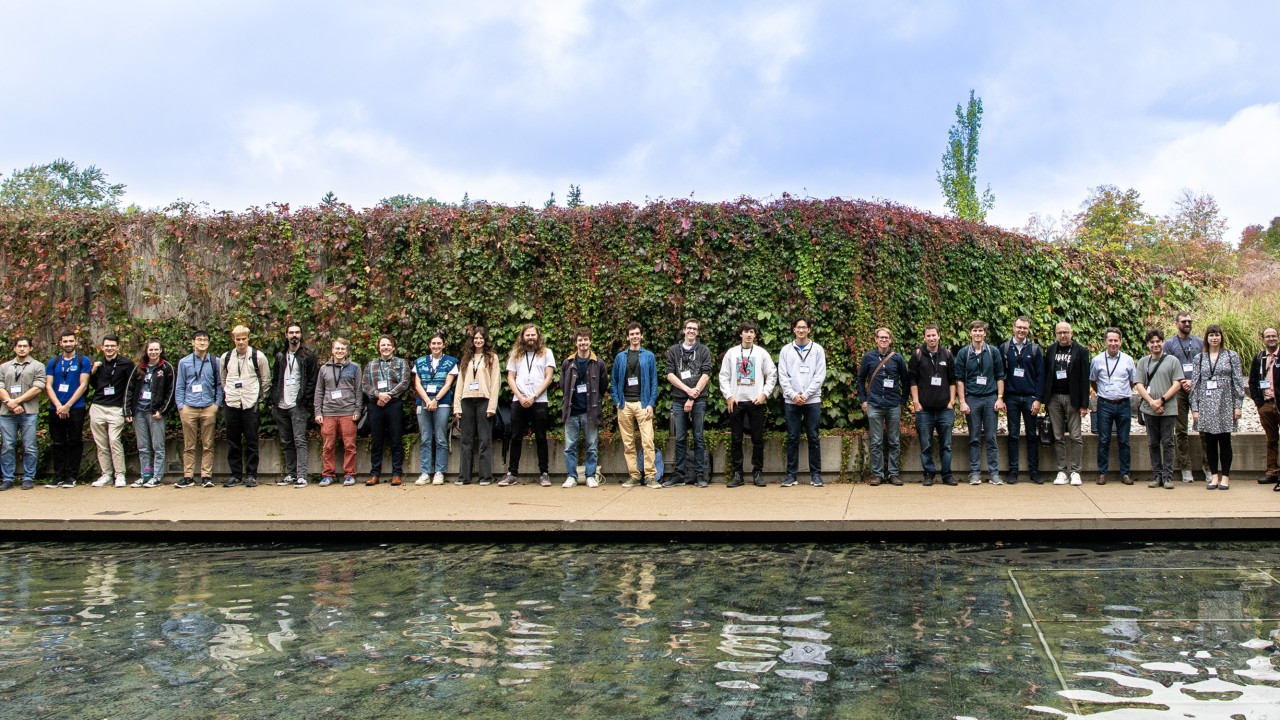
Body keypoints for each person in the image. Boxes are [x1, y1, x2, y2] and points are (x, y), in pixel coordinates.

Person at [718, 320, 777, 488]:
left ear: (755, 335)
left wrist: (764, 394)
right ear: (740, 334)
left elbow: (772, 373)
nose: (749, 335)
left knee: (757, 439)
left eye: (752, 332)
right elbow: (723, 375)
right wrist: (729, 396)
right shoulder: (732, 353)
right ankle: (738, 474)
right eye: (746, 331)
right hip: (736, 401)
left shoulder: (761, 353)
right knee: (736, 439)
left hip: (755, 402)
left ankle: (757, 472)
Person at [1190, 324, 1244, 490]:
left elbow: (1238, 381)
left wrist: (1238, 405)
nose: (1214, 338)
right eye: (1211, 335)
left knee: (1225, 440)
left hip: (1225, 402)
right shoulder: (1200, 358)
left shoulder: (1231, 356)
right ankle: (1214, 476)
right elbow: (1195, 384)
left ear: (1221, 337)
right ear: (1206, 338)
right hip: (1206, 403)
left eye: (1217, 335)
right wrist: (1195, 408)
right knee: (1210, 441)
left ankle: (1225, 477)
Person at [501, 324, 555, 487]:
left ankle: (544, 474)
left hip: (539, 401)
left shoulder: (547, 353)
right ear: (522, 337)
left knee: (541, 437)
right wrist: (520, 396)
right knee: (516, 436)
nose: (530, 338)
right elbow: (510, 377)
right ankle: (512, 473)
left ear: (538, 336)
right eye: (527, 335)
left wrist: (533, 396)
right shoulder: (515, 354)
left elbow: (549, 377)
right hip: (519, 401)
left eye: (533, 335)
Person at [663, 319, 713, 488]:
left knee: (698, 437)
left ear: (697, 332)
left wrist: (693, 396)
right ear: (684, 330)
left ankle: (700, 475)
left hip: (699, 400)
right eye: (689, 328)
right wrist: (687, 391)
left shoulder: (704, 351)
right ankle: (679, 475)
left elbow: (706, 375)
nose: (691, 331)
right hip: (678, 399)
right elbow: (670, 374)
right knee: (680, 438)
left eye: (695, 329)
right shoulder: (673, 351)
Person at [219, 325, 271, 488]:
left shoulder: (258, 356)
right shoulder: (225, 357)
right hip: (232, 402)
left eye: (244, 338)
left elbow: (266, 380)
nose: (241, 342)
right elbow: (223, 379)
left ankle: (251, 475)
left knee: (251, 440)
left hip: (250, 403)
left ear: (248, 338)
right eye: (238, 339)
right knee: (233, 440)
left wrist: (258, 398)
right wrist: (229, 393)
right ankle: (235, 474)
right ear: (233, 339)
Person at [778, 317, 827, 487]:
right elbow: (782, 376)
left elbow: (820, 375)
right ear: (793, 330)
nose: (801, 330)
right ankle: (791, 475)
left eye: (804, 327)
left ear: (809, 330)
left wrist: (805, 395)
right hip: (791, 401)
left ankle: (816, 475)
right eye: (798, 327)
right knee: (792, 437)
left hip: (812, 400)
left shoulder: (818, 349)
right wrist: (793, 395)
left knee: (813, 436)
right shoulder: (786, 350)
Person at [955, 320, 1006, 485]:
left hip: (991, 398)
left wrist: (999, 398)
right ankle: (975, 472)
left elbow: (1000, 376)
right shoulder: (964, 353)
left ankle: (994, 473)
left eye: (980, 331)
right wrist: (962, 401)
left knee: (991, 437)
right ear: (970, 333)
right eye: (974, 331)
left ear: (985, 333)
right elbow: (960, 380)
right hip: (972, 399)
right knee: (974, 437)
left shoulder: (993, 352)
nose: (977, 334)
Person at [907, 324, 957, 486]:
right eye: (928, 336)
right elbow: (912, 380)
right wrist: (916, 402)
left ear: (939, 336)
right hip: (924, 410)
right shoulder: (917, 355)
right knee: (925, 444)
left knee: (946, 445)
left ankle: (947, 474)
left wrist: (951, 402)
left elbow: (952, 380)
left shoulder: (947, 355)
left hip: (944, 410)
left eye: (934, 335)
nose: (931, 338)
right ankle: (928, 473)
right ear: (924, 337)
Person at [856, 327, 906, 486]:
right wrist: (864, 400)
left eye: (887, 338)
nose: (884, 340)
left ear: (890, 340)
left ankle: (893, 473)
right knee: (876, 441)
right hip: (875, 405)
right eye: (881, 337)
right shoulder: (868, 358)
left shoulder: (897, 358)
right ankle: (877, 474)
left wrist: (902, 401)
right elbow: (860, 379)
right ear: (876, 339)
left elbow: (906, 380)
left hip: (893, 405)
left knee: (894, 441)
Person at [613, 322, 661, 488]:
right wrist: (617, 400)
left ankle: (650, 476)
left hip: (643, 404)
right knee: (628, 443)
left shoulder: (649, 356)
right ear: (628, 337)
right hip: (624, 404)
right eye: (631, 334)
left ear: (641, 336)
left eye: (637, 334)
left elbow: (654, 381)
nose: (634, 336)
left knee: (648, 441)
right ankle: (634, 475)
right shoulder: (620, 357)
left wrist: (651, 403)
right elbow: (614, 382)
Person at [1135, 329, 1184, 490]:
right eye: (1152, 342)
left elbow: (1177, 383)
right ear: (1147, 344)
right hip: (1149, 410)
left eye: (1158, 341)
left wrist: (1161, 400)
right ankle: (1156, 475)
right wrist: (1151, 402)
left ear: (1163, 342)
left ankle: (1167, 476)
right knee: (1153, 443)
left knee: (1168, 442)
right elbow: (1139, 384)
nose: (1155, 344)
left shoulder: (1172, 361)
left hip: (1168, 409)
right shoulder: (1143, 362)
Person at [1043, 322, 1090, 486]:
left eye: (1066, 332)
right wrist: (1045, 400)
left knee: (1076, 436)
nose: (1063, 335)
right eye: (1059, 332)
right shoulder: (1050, 350)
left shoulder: (1081, 351)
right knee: (1057, 436)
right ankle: (1062, 471)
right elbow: (1046, 374)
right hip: (1054, 398)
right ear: (1056, 334)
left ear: (1072, 333)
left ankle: (1076, 471)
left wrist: (1084, 404)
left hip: (1073, 399)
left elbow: (1085, 378)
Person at [271, 323, 318, 488]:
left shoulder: (308, 356)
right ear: (286, 335)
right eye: (291, 332)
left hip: (298, 405)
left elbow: (312, 381)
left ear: (301, 335)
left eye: (297, 332)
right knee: (286, 441)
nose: (294, 335)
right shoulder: (280, 356)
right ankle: (291, 474)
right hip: (281, 404)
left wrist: (304, 400)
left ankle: (302, 475)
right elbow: (275, 379)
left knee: (299, 440)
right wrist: (275, 400)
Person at [123, 339, 174, 488]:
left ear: (160, 351)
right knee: (143, 447)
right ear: (146, 351)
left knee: (158, 446)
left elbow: (170, 392)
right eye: (150, 350)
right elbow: (129, 390)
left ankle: (157, 476)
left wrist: (162, 410)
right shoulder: (139, 368)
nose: (153, 352)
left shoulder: (166, 368)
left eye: (156, 350)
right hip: (139, 412)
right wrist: (128, 411)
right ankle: (146, 474)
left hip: (155, 414)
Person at [561, 327, 608, 488]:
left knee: (592, 446)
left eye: (585, 340)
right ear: (576, 342)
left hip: (590, 412)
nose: (583, 343)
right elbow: (563, 387)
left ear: (590, 341)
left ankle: (590, 476)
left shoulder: (598, 363)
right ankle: (571, 476)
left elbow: (603, 386)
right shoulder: (568, 363)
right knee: (569, 447)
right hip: (571, 412)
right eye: (580, 340)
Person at [174, 329, 222, 488]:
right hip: (189, 407)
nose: (202, 342)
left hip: (208, 407)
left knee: (208, 443)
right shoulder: (184, 362)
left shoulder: (215, 362)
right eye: (199, 340)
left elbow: (219, 385)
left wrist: (216, 405)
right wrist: (181, 406)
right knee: (189, 444)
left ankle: (206, 476)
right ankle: (188, 476)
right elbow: (180, 386)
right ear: (193, 342)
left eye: (205, 340)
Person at [454, 326, 501, 486]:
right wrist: (457, 407)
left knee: (484, 440)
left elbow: (495, 383)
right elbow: (459, 382)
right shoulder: (466, 358)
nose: (478, 341)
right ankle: (464, 477)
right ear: (472, 341)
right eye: (476, 338)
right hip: (467, 400)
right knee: (465, 440)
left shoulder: (492, 357)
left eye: (481, 338)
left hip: (484, 400)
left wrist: (492, 406)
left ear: (485, 340)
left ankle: (485, 477)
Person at [1089, 328, 1137, 485]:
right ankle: (1102, 473)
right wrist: (1104, 392)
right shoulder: (1097, 360)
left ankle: (1125, 474)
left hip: (1123, 404)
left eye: (1116, 340)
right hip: (1105, 404)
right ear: (1105, 341)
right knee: (1103, 440)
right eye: (1110, 340)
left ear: (1120, 342)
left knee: (1124, 440)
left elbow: (1132, 381)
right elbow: (1093, 381)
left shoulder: (1128, 360)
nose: (1113, 343)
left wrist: (1121, 392)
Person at [999, 316, 1044, 484]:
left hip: (1030, 398)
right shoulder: (1004, 348)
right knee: (1013, 435)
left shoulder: (1035, 349)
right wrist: (1001, 398)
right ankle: (1013, 471)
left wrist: (1038, 399)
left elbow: (1041, 377)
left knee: (1032, 435)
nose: (1021, 331)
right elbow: (1000, 375)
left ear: (1028, 329)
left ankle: (1034, 471)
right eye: (1019, 327)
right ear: (1013, 328)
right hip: (1011, 398)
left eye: (1024, 328)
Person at [44, 329, 91, 488]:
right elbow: (48, 385)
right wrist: (59, 406)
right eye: (65, 341)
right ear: (60, 343)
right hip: (55, 408)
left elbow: (83, 385)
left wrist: (68, 406)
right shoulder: (53, 362)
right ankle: (58, 475)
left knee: (74, 441)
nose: (68, 344)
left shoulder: (83, 361)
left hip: (76, 407)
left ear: (76, 342)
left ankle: (71, 476)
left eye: (71, 341)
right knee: (57, 442)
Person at [1165, 311, 1208, 482]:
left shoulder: (1200, 342)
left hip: (1198, 388)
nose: (1187, 324)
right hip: (1178, 389)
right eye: (1184, 321)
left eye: (1190, 321)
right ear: (1176, 323)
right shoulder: (1170, 344)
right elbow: (1167, 366)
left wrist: (1193, 380)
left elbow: (1206, 365)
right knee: (1181, 429)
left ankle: (1209, 467)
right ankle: (1185, 467)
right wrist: (1182, 380)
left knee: (1204, 428)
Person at [363, 335, 410, 486]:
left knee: (396, 439)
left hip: (394, 404)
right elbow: (365, 384)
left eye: (388, 345)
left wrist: (388, 395)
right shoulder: (370, 365)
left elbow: (404, 382)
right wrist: (378, 395)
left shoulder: (401, 363)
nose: (386, 347)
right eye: (383, 345)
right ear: (378, 347)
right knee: (376, 440)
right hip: (375, 405)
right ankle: (375, 474)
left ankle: (396, 474)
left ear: (393, 347)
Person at [88, 335, 135, 488]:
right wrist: (93, 371)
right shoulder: (98, 363)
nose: (109, 348)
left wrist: (128, 409)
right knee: (101, 443)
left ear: (117, 347)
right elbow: (94, 385)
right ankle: (106, 474)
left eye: (112, 346)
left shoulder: (126, 364)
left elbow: (131, 386)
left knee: (114, 440)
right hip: (98, 407)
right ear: (102, 347)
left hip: (116, 408)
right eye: (106, 346)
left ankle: (120, 474)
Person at [314, 338, 362, 487]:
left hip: (348, 411)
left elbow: (359, 391)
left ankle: (349, 474)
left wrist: (357, 410)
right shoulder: (324, 369)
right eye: (337, 349)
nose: (340, 351)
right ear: (332, 350)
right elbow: (319, 391)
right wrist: (318, 412)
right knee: (328, 445)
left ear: (346, 351)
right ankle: (327, 474)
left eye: (343, 349)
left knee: (349, 445)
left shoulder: (355, 368)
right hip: (328, 412)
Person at [0, 337, 46, 491]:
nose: (22, 349)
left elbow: (38, 387)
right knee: (7, 446)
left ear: (30, 348)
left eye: (25, 346)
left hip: (29, 413)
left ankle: (28, 478)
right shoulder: (4, 367)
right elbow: (0, 387)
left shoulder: (38, 366)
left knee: (30, 446)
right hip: (7, 413)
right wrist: (11, 404)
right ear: (14, 348)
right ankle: (7, 478)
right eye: (19, 346)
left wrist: (17, 401)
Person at [413, 332, 458, 486]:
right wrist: (427, 400)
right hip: (423, 403)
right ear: (429, 345)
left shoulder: (451, 362)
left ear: (443, 345)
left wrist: (436, 400)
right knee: (425, 438)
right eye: (433, 344)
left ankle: (439, 472)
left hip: (442, 403)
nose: (436, 346)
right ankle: (425, 472)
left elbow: (448, 384)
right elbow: (417, 383)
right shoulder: (419, 362)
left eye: (439, 343)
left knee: (440, 438)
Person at [1246, 327, 1280, 486]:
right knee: (1271, 440)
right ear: (1263, 339)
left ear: (1278, 338)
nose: (1271, 338)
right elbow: (1252, 382)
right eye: (1268, 336)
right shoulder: (1259, 358)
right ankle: (1272, 472)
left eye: (1274, 336)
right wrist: (1259, 403)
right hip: (1266, 405)